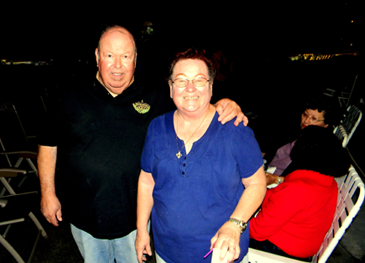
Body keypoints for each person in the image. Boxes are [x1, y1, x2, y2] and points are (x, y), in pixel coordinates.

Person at [37, 26, 247, 263]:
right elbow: (47, 144)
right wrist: (48, 193)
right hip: (86, 214)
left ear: (135, 59)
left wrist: (224, 104)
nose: (118, 65)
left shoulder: (155, 94)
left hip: (135, 218)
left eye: (126, 56)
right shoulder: (70, 93)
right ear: (97, 57)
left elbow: (192, 105)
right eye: (109, 56)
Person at [135, 48, 266, 263]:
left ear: (211, 87)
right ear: (170, 88)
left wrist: (235, 225)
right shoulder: (157, 127)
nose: (189, 88)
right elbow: (147, 181)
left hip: (220, 254)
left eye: (199, 80)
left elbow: (257, 183)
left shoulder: (235, 129)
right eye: (180, 80)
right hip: (166, 252)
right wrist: (141, 230)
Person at [250, 126, 351, 260]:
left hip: (278, 251)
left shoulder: (296, 190)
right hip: (300, 249)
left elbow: (256, 231)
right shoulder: (328, 183)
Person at [266, 95, 343, 186]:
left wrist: (277, 179)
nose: (306, 121)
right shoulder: (295, 132)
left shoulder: (317, 149)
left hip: (277, 184)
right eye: (305, 115)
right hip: (266, 170)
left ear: (326, 125)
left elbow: (306, 180)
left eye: (314, 119)